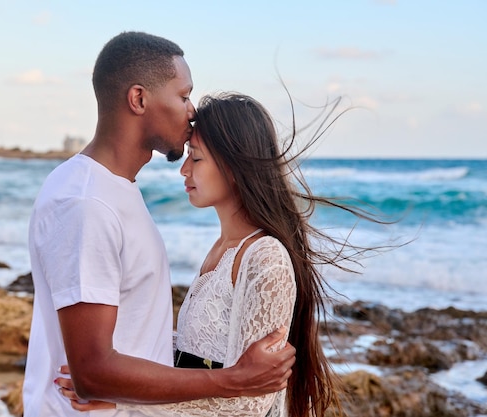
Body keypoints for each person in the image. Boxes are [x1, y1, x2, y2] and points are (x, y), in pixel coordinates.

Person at [22, 32, 296, 417]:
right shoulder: (87, 203)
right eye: (183, 96)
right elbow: (93, 372)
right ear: (139, 99)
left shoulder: (118, 193)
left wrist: (127, 394)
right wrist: (232, 380)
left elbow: (140, 338)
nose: (191, 111)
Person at [56, 92, 370, 416]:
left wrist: (122, 398)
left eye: (197, 157)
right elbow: (196, 356)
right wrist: (111, 375)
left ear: (234, 166)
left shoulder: (266, 259)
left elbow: (250, 403)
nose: (184, 170)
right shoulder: (221, 251)